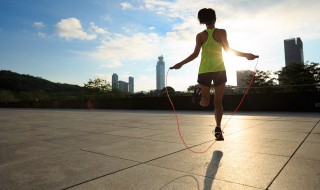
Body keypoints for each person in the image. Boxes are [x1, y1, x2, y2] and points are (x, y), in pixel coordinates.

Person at [170, 8, 258, 141]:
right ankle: (217, 124)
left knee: (205, 102)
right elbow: (228, 51)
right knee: (217, 102)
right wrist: (246, 55)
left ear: (202, 21)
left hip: (206, 71)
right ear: (215, 18)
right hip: (218, 70)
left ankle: (218, 128)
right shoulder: (221, 32)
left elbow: (195, 55)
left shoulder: (200, 36)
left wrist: (180, 64)